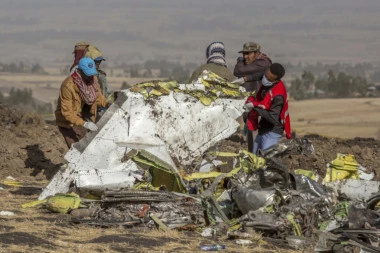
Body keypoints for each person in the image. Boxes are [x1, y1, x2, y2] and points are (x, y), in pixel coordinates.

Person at [55, 57, 109, 148]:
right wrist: (84, 124)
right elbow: (67, 112)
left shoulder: (93, 79)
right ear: (80, 72)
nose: (90, 77)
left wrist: (108, 104)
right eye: (88, 74)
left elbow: (98, 97)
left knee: (87, 146)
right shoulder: (68, 85)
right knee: (76, 150)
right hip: (67, 122)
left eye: (91, 74)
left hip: (81, 116)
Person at [243, 63, 291, 155]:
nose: (265, 79)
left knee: (266, 160)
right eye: (266, 76)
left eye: (269, 79)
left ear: (276, 80)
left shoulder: (278, 95)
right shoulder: (267, 80)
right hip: (263, 129)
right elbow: (258, 75)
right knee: (254, 157)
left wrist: (255, 107)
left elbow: (273, 118)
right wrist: (244, 79)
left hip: (272, 131)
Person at [232, 42, 272, 152]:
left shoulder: (263, 62)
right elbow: (238, 72)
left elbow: (238, 70)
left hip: (261, 108)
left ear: (256, 53)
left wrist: (240, 62)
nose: (245, 57)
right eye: (244, 54)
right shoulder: (252, 65)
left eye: (248, 54)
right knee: (252, 141)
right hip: (250, 107)